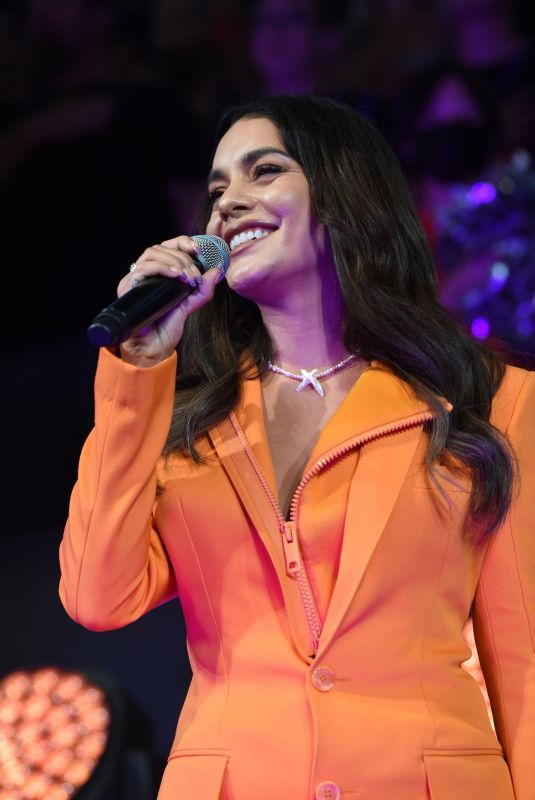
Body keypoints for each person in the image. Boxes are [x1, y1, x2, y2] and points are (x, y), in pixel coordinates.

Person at [59, 95, 535, 800]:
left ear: (343, 193)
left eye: (263, 172)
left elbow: (523, 662)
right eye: (216, 188)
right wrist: (135, 374)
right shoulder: (178, 422)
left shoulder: (490, 403)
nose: (227, 203)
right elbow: (98, 597)